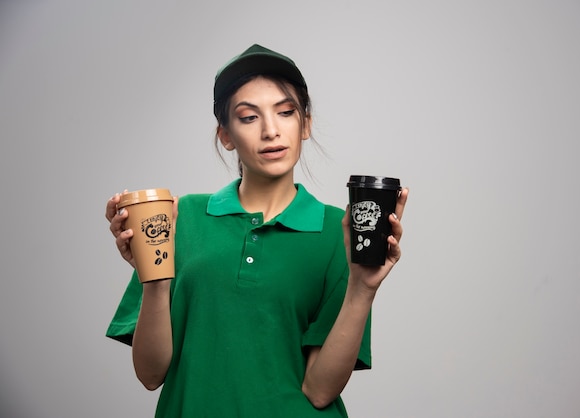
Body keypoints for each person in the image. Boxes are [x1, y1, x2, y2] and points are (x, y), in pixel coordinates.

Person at [104, 43, 409, 417]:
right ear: (226, 135)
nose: (270, 130)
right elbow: (151, 375)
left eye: (285, 112)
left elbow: (319, 390)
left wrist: (363, 289)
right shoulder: (180, 216)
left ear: (306, 124)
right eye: (249, 117)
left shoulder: (340, 230)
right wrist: (153, 277)